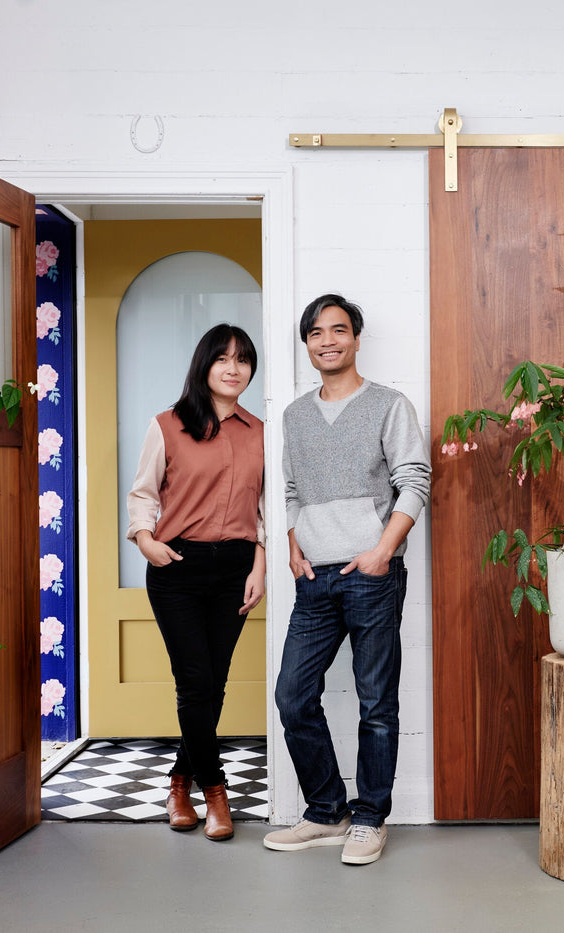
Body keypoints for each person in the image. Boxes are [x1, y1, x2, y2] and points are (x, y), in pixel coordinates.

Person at [263, 294, 430, 865]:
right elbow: (291, 491)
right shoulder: (294, 414)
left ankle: (369, 817)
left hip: (372, 575)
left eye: (338, 330)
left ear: (357, 339)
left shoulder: (388, 405)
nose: (327, 340)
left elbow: (414, 481)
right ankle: (327, 809)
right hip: (313, 578)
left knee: (375, 701)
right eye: (315, 333)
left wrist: (383, 551)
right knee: (292, 695)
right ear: (307, 344)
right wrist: (292, 547)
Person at [126, 323, 266, 842]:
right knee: (195, 682)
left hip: (235, 568)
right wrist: (146, 541)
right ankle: (215, 791)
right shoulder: (168, 425)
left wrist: (260, 566)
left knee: (214, 683)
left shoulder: (259, 432)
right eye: (223, 359)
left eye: (243, 360)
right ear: (204, 365)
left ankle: (179, 781)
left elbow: (265, 507)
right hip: (177, 569)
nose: (234, 369)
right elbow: (143, 493)